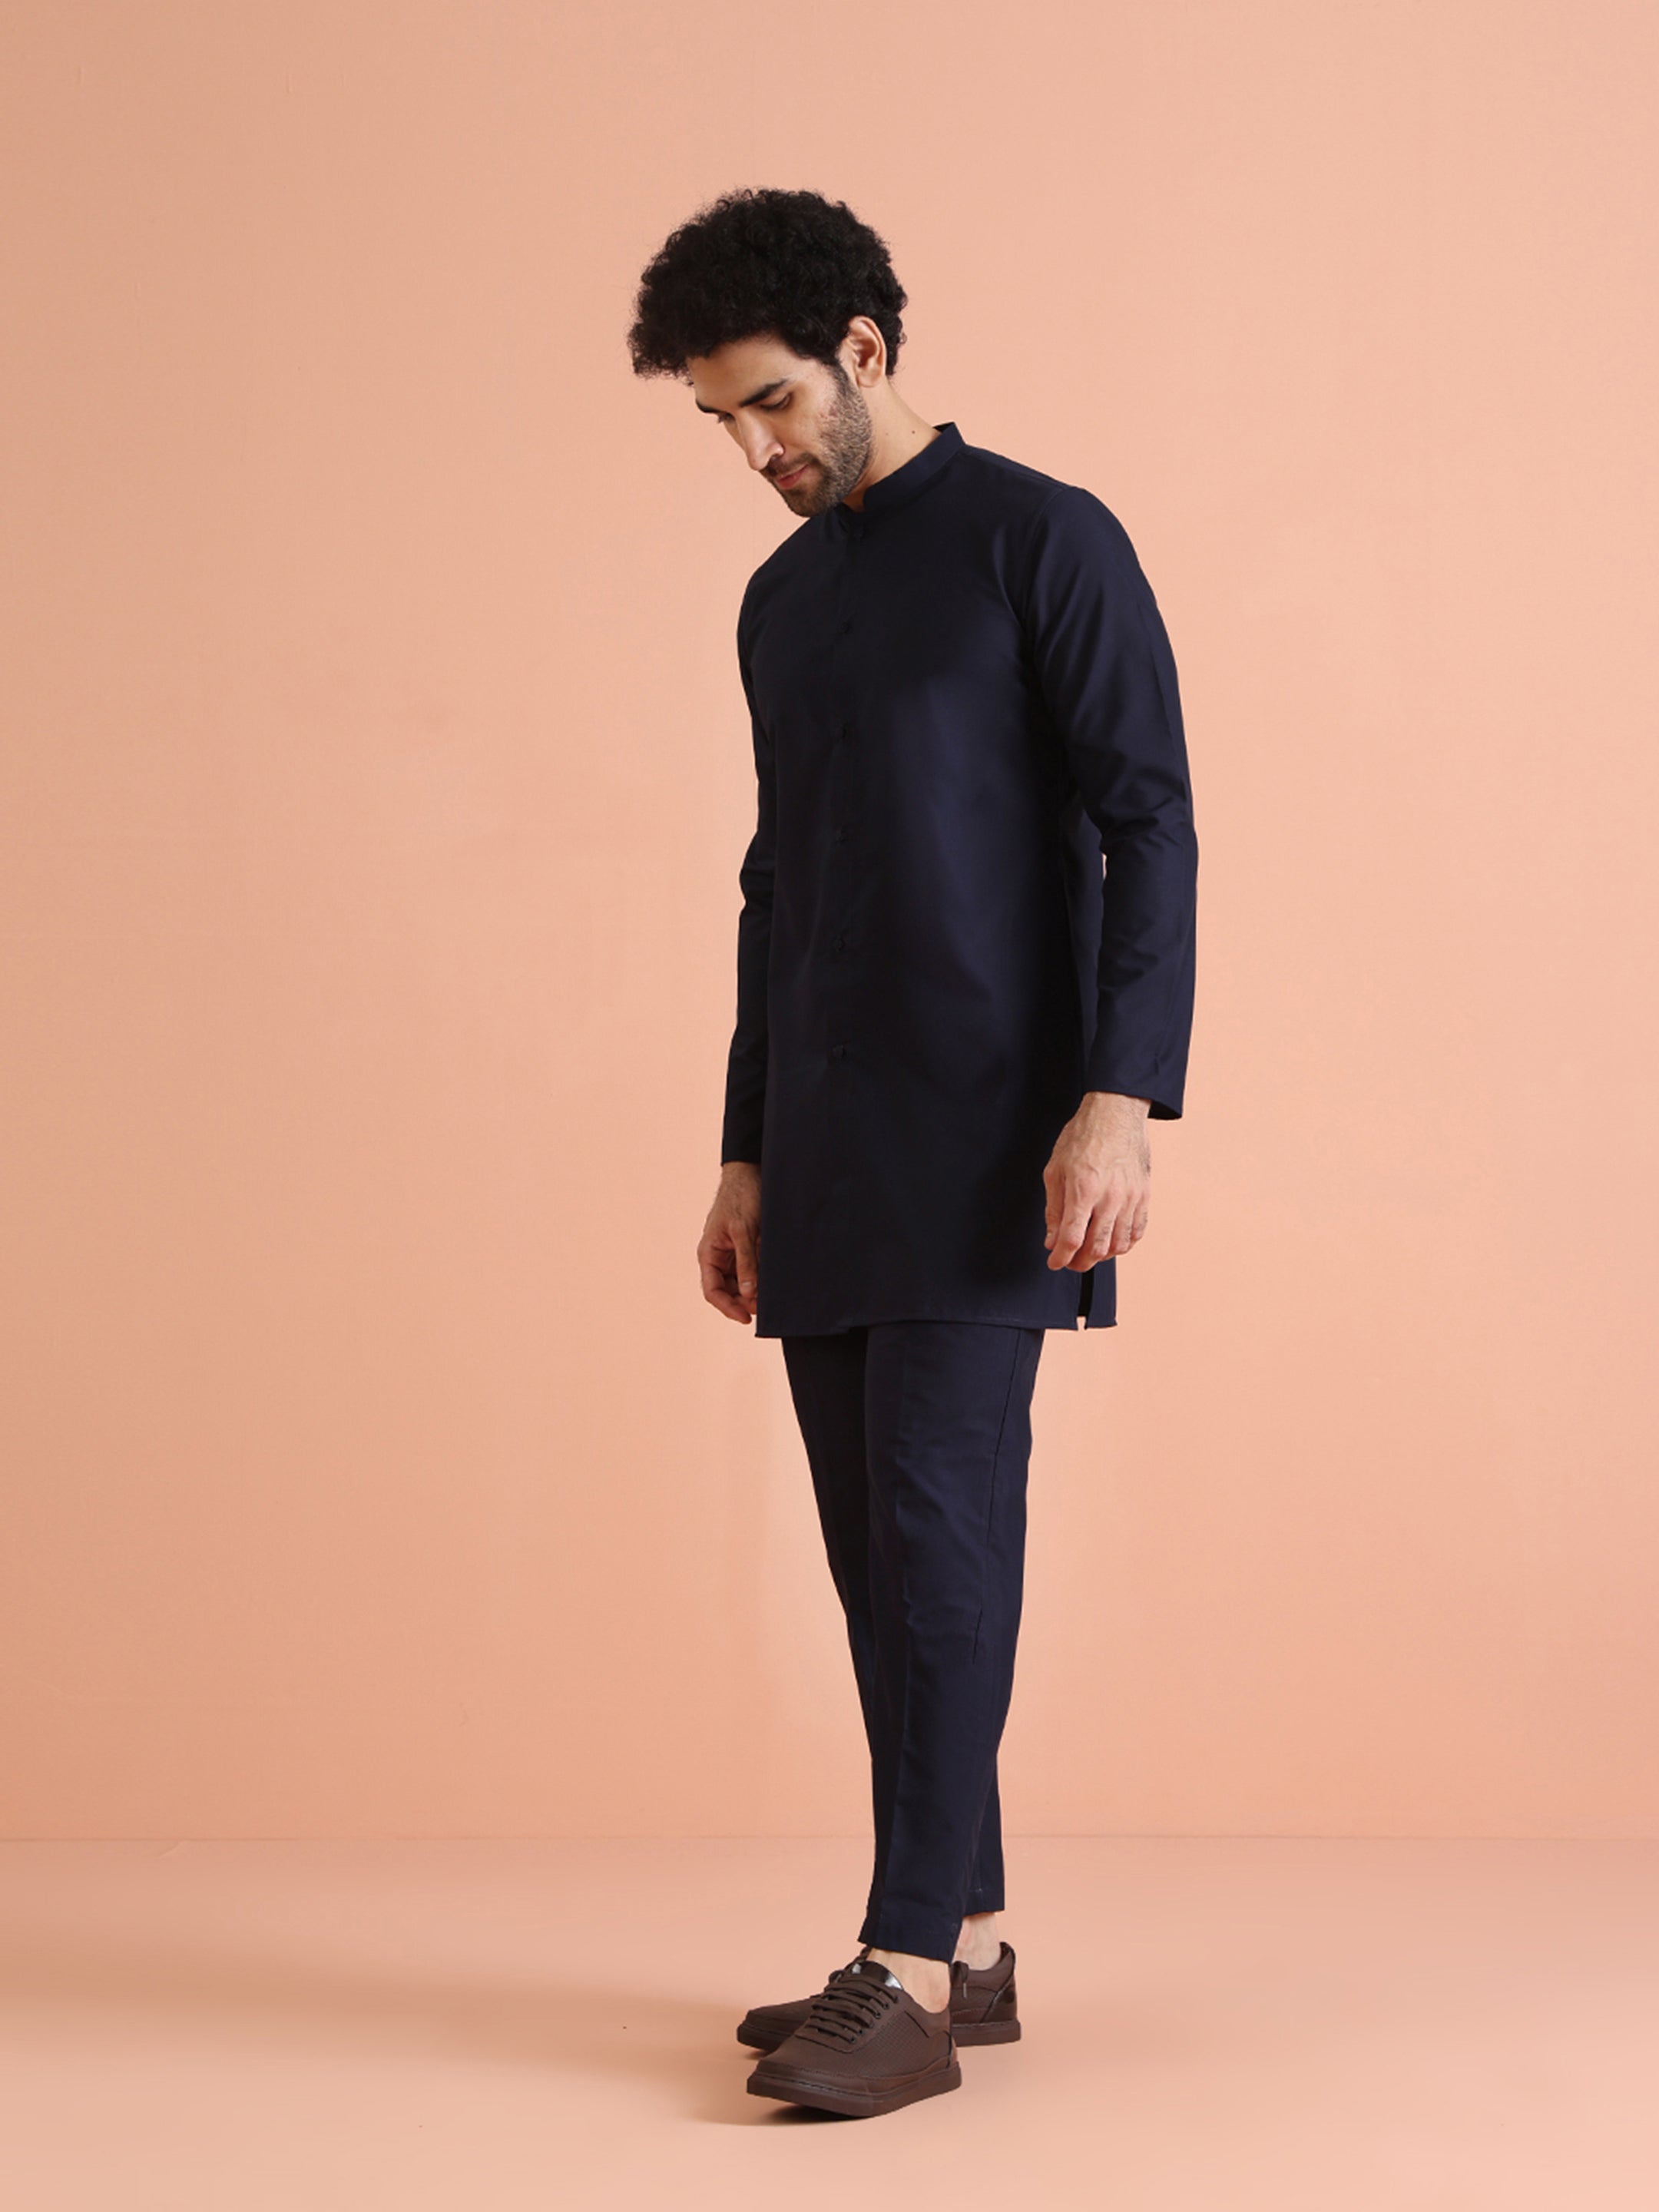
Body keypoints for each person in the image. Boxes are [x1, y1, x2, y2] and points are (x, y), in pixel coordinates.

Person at [627, 187, 1198, 2119]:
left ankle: (906, 1973)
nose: (754, 450)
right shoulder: (783, 601)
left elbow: (1150, 820)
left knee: (944, 1532)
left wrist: (1121, 1096)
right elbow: (776, 883)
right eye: (720, 420)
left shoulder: (1046, 538)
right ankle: (969, 1934)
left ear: (864, 349)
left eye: (774, 402)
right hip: (826, 1138)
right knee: (878, 1555)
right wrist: (744, 1152)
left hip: (997, 1135)